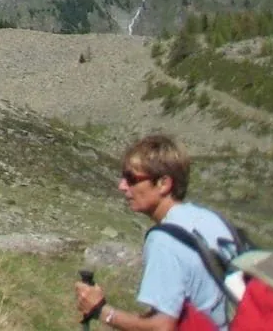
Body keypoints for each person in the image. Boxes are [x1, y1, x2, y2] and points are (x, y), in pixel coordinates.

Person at [75, 134, 236, 330]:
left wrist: (101, 310)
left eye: (131, 178)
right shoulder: (209, 219)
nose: (122, 186)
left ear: (163, 184)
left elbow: (161, 327)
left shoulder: (164, 240)